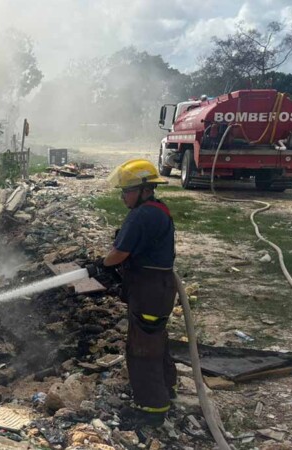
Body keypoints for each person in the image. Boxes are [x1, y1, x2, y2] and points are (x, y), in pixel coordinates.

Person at [100, 159, 177, 427]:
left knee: (142, 349)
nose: (123, 196)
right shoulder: (157, 209)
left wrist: (101, 264)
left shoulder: (142, 215)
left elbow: (120, 253)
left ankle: (151, 411)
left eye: (127, 191)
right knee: (155, 341)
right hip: (158, 288)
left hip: (150, 291)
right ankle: (167, 392)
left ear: (144, 189)